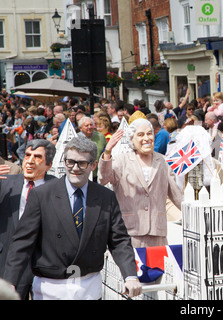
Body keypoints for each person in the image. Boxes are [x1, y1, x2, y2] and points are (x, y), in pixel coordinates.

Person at [2, 137, 142, 299]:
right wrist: (10, 281)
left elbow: (119, 241)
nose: (75, 168)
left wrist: (130, 275)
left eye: (81, 163)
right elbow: (22, 242)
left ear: (93, 165)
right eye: (70, 162)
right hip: (49, 288)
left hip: (89, 287)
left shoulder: (106, 197)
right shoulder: (42, 195)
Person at [98, 118, 183, 248]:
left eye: (149, 133)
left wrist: (190, 213)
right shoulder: (121, 161)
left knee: (157, 268)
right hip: (129, 231)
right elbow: (103, 179)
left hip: (157, 231)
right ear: (132, 140)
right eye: (140, 135)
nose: (146, 138)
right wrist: (108, 151)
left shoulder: (163, 161)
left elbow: (176, 195)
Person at [0, 139, 56, 299]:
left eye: (37, 157)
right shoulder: (5, 183)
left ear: (49, 165)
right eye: (27, 155)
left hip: (45, 263)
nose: (30, 161)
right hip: (8, 263)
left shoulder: (58, 187)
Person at [78, 116, 107, 182]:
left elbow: (106, 152)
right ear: (80, 128)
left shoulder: (100, 137)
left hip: (97, 174)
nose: (89, 127)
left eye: (91, 125)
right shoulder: (76, 138)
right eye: (86, 125)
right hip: (82, 173)